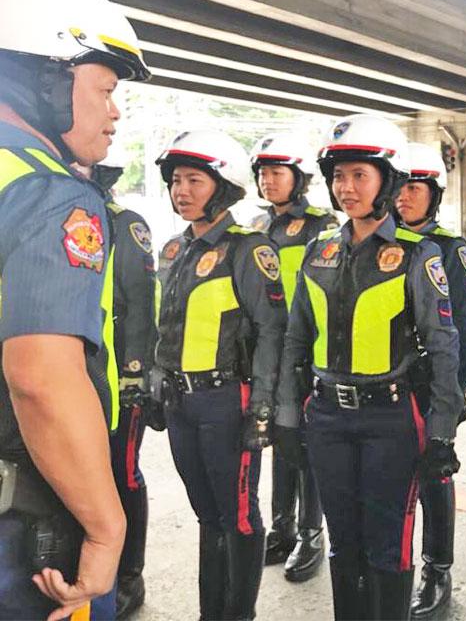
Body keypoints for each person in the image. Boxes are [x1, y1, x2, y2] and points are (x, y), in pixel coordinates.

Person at [0, 0, 150, 619]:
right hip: (26, 520)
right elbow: (41, 377)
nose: (115, 113)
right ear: (47, 79)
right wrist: (104, 528)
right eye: (106, 89)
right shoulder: (49, 194)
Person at [275, 114, 462, 620]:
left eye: (360, 174)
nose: (346, 187)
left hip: (392, 422)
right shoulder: (319, 252)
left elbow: (444, 349)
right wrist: (288, 417)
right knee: (345, 547)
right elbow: (296, 340)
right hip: (329, 419)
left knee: (387, 550)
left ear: (387, 181)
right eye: (339, 176)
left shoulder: (416, 256)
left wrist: (441, 434)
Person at [154, 129, 286, 620]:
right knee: (207, 516)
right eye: (176, 181)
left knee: (239, 517)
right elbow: (163, 324)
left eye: (194, 180)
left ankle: (239, 614)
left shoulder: (248, 249)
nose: (181, 191)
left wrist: (264, 408)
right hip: (181, 402)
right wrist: (153, 380)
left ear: (223, 186)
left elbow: (272, 332)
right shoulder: (172, 250)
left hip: (227, 401)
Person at [394, 142, 466, 618]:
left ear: (433, 194)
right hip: (389, 388)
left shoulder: (450, 249)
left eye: (414, 188)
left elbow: (463, 328)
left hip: (432, 386)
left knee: (433, 476)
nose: (404, 197)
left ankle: (437, 568)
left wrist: (456, 393)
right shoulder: (384, 243)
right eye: (399, 187)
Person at [249, 132, 337, 583]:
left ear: (297, 178)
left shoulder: (322, 225)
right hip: (269, 350)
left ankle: (310, 533)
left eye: (277, 173)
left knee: (306, 446)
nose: (268, 181)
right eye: (262, 173)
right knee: (279, 441)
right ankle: (281, 527)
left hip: (306, 350)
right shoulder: (257, 226)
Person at [87, 148, 159, 620]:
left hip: (119, 382)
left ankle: (130, 573)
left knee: (123, 475)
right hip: (80, 378)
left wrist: (135, 372)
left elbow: (141, 303)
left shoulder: (125, 224)